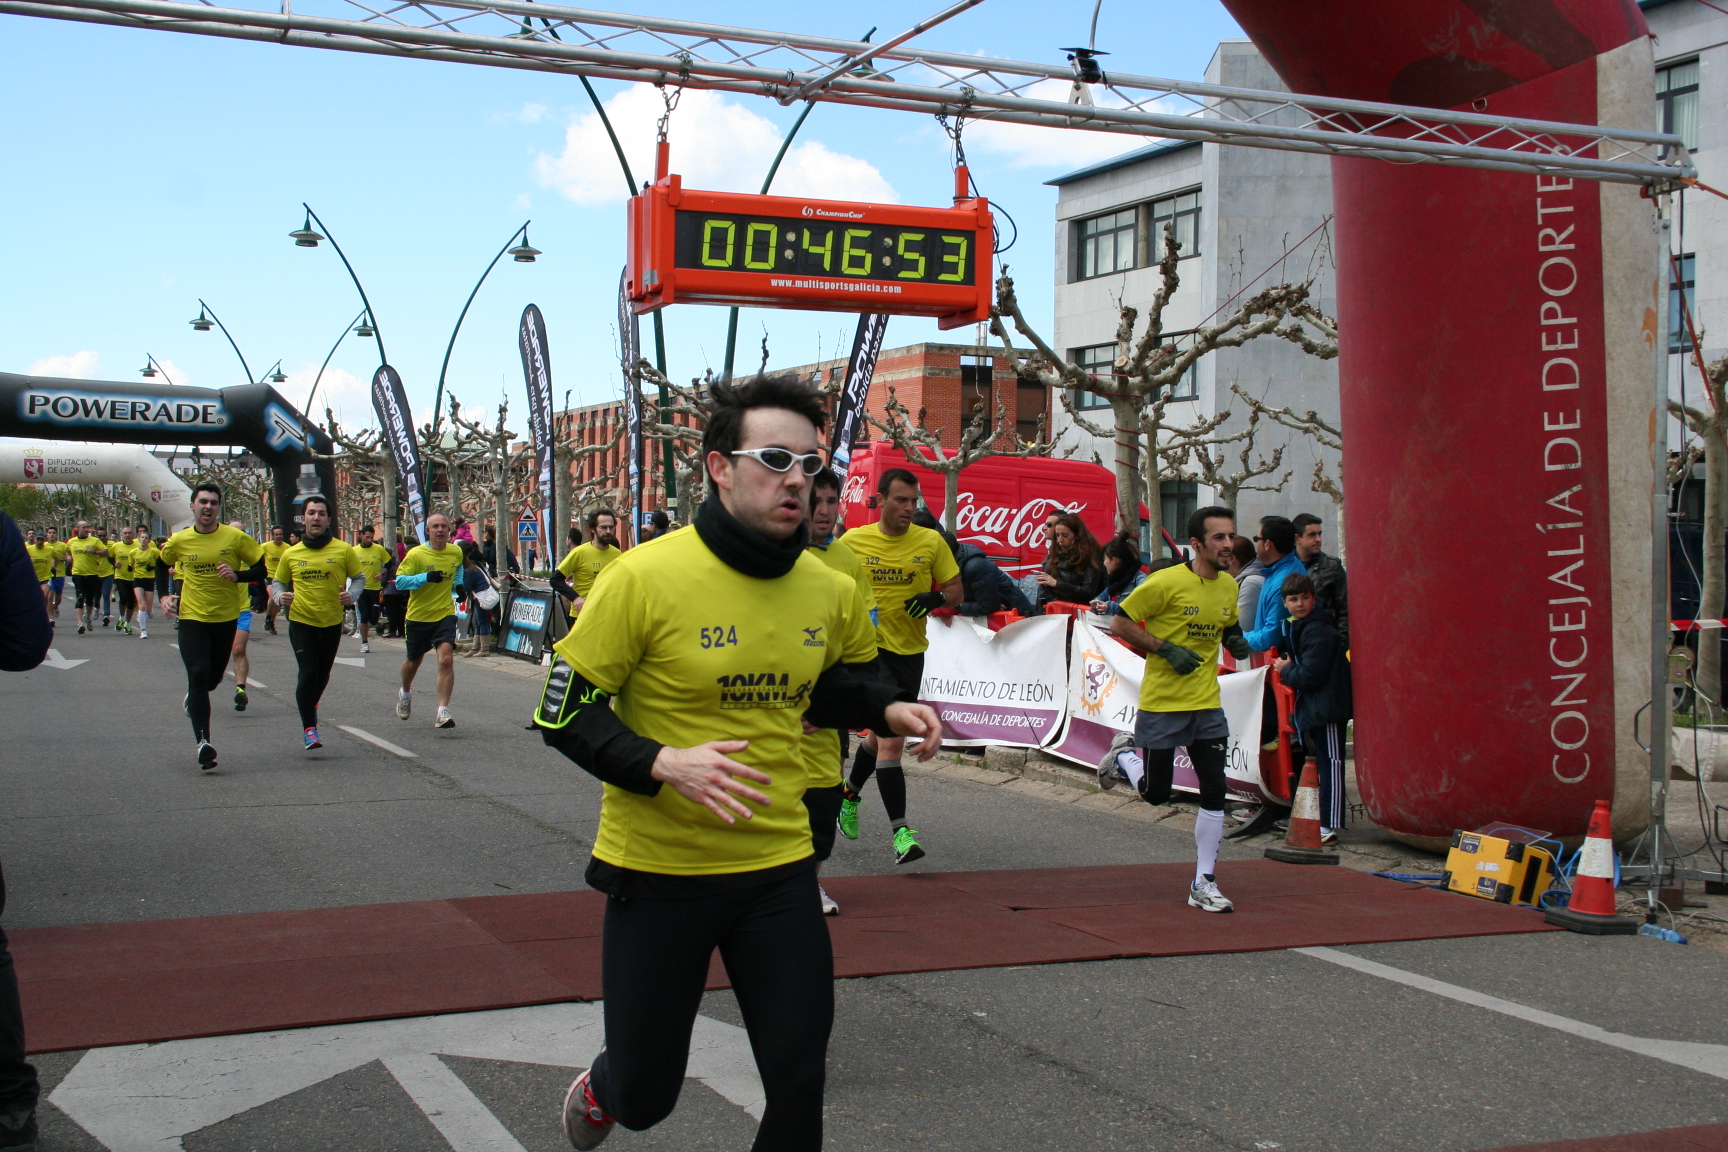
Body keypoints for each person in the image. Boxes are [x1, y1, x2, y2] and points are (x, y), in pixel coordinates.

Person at [532, 372, 941, 1152]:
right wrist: (662, 761)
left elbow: (830, 685)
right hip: (661, 872)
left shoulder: (827, 586)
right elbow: (560, 709)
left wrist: (886, 707)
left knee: (800, 1079)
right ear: (720, 467)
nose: (798, 481)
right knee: (647, 1096)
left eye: (811, 465)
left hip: (778, 867)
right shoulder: (642, 577)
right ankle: (607, 1087)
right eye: (775, 459)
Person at [1101, 506, 1251, 914]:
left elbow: (1227, 623)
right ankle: (1124, 755)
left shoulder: (1229, 585)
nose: (1228, 544)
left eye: (1231, 536)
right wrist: (1165, 648)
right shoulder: (1165, 582)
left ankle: (1204, 882)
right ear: (1197, 544)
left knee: (1215, 788)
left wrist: (1235, 640)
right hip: (1164, 702)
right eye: (1218, 538)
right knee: (1157, 793)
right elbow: (1120, 623)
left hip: (1206, 702)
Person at [838, 467, 961, 865]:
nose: (909, 508)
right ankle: (902, 834)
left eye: (914, 501)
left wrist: (934, 598)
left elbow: (956, 592)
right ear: (880, 500)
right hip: (868, 652)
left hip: (910, 651)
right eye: (901, 500)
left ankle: (849, 794)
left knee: (880, 734)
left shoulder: (931, 541)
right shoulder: (852, 542)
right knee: (894, 737)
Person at [805, 466, 880, 915]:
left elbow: (866, 622)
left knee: (823, 794)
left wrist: (838, 699)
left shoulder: (846, 559)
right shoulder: (771, 555)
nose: (824, 511)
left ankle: (809, 882)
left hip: (824, 706)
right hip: (768, 705)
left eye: (832, 502)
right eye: (816, 501)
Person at [160, 484, 264, 770]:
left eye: (214, 503)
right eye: (203, 501)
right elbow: (160, 564)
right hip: (192, 617)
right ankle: (203, 743)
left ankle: (196, 696)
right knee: (197, 673)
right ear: (192, 506)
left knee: (212, 680)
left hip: (226, 618)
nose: (208, 507)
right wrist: (164, 595)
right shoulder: (180, 540)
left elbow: (261, 569)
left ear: (218, 508)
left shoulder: (235, 537)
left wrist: (238, 575)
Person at [273, 495, 364, 750]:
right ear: (303, 518)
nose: (316, 517)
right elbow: (278, 582)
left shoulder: (343, 549)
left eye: (321, 514)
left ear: (328, 520)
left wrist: (351, 595)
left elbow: (359, 578)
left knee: (322, 675)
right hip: (302, 620)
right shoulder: (291, 553)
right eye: (311, 513)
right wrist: (280, 597)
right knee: (309, 672)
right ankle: (309, 728)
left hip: (331, 622)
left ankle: (310, 705)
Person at [1272, 571, 1353, 844]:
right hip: (1317, 707)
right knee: (1321, 764)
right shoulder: (1302, 627)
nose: (1300, 604)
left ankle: (1329, 824)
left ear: (1313, 599)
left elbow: (1311, 675)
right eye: (1294, 599)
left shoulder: (1318, 630)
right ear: (1285, 603)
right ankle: (1319, 820)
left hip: (1327, 708)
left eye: (1304, 598)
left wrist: (1286, 669)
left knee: (1332, 764)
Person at [394, 512, 465, 728]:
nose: (440, 530)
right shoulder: (416, 555)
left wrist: (459, 585)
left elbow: (458, 567)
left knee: (446, 659)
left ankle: (443, 711)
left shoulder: (455, 551)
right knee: (413, 662)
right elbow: (400, 582)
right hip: (418, 616)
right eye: (435, 526)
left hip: (444, 613)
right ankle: (405, 693)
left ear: (449, 530)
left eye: (444, 526)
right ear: (427, 531)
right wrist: (425, 577)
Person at [1243, 516, 1304, 654]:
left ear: (1267, 544)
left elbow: (1271, 637)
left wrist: (1241, 638)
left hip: (1281, 662)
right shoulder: (1281, 569)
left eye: (1257, 539)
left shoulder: (1282, 581)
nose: (1256, 544)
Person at [1291, 512, 1349, 649]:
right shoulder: (1285, 565)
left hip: (1324, 642)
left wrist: (1339, 646)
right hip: (1293, 642)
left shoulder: (1332, 567)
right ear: (1297, 538)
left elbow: (1344, 610)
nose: (1318, 539)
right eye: (1312, 535)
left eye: (1319, 534)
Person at [553, 509, 620, 620]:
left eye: (611, 527)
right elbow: (555, 580)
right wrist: (575, 598)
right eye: (603, 527)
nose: (608, 531)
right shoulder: (579, 552)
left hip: (608, 615)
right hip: (582, 615)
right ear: (593, 529)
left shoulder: (617, 554)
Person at [1034, 512, 1105, 610]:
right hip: (1057, 609)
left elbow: (1088, 591)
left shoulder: (1090, 555)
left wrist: (1056, 584)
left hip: (1081, 611)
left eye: (1065, 535)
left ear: (1077, 535)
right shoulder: (1055, 552)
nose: (1060, 540)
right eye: (1057, 535)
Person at [225, 522, 260, 712]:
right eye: (234, 532)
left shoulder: (249, 554)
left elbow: (260, 571)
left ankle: (241, 689)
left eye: (242, 532)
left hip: (241, 610)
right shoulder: (219, 553)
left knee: (238, 650)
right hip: (218, 611)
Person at [64, 521, 111, 635]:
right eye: (84, 527)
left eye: (87, 527)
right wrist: (68, 556)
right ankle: (80, 623)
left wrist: (94, 551)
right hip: (78, 573)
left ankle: (88, 617)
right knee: (80, 598)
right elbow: (65, 549)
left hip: (92, 574)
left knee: (90, 600)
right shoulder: (72, 541)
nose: (86, 529)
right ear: (78, 529)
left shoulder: (94, 541)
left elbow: (106, 552)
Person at [353, 524, 393, 654]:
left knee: (374, 619)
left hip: (375, 588)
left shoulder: (378, 549)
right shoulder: (354, 551)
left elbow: (389, 562)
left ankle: (373, 626)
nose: (369, 540)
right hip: (361, 589)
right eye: (367, 537)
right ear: (361, 535)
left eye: (371, 537)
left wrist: (383, 572)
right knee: (364, 616)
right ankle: (364, 643)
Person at [457, 539, 497, 658]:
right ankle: (476, 648)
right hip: (478, 596)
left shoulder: (469, 570)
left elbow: (465, 586)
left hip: (481, 597)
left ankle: (484, 648)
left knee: (482, 622)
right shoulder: (472, 566)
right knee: (479, 622)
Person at [1090, 533, 1147, 615]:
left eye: (1104, 559)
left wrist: (1110, 607)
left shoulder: (1140, 580)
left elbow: (1137, 607)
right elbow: (1100, 597)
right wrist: (1096, 603)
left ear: (1114, 560)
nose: (1104, 563)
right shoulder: (1115, 581)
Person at [130, 525, 160, 639]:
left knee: (148, 608)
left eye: (146, 538)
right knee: (141, 605)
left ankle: (150, 611)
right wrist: (129, 567)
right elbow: (131, 563)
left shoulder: (154, 552)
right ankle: (143, 630)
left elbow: (161, 563)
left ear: (149, 541)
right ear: (139, 539)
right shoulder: (133, 552)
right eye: (142, 537)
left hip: (149, 579)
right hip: (138, 579)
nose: (143, 539)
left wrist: (153, 567)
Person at [259, 526, 289, 635]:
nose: (279, 536)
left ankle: (271, 622)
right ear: (273, 536)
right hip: (270, 576)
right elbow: (255, 555)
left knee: (277, 602)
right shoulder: (265, 546)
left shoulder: (287, 548)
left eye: (280, 534)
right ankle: (268, 617)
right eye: (276, 534)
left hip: (281, 577)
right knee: (272, 597)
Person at [110, 526, 139, 636]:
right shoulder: (116, 546)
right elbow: (110, 557)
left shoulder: (138, 546)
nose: (127, 535)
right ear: (121, 535)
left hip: (135, 576)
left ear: (133, 534)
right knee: (123, 598)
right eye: (125, 533)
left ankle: (127, 623)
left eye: (129, 533)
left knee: (131, 602)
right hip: (120, 576)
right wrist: (115, 564)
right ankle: (122, 617)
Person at [23, 529, 55, 627]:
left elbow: (57, 557)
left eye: (41, 539)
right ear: (35, 540)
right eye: (38, 539)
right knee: (34, 598)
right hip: (33, 577)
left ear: (44, 540)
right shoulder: (29, 549)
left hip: (46, 577)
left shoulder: (50, 549)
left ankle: (45, 616)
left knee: (44, 596)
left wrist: (54, 567)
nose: (40, 541)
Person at [1231, 536, 1264, 625]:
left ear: (1232, 559)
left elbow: (1243, 626)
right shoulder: (1250, 579)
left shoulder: (1250, 583)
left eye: (1222, 555)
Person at [45, 526, 67, 620]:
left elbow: (67, 557)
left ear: (56, 534)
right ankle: (50, 617)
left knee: (58, 598)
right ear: (47, 535)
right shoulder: (44, 546)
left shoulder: (62, 545)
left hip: (60, 574)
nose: (52, 535)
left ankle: (55, 606)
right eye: (50, 533)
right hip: (48, 575)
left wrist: (63, 559)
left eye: (53, 533)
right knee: (49, 596)